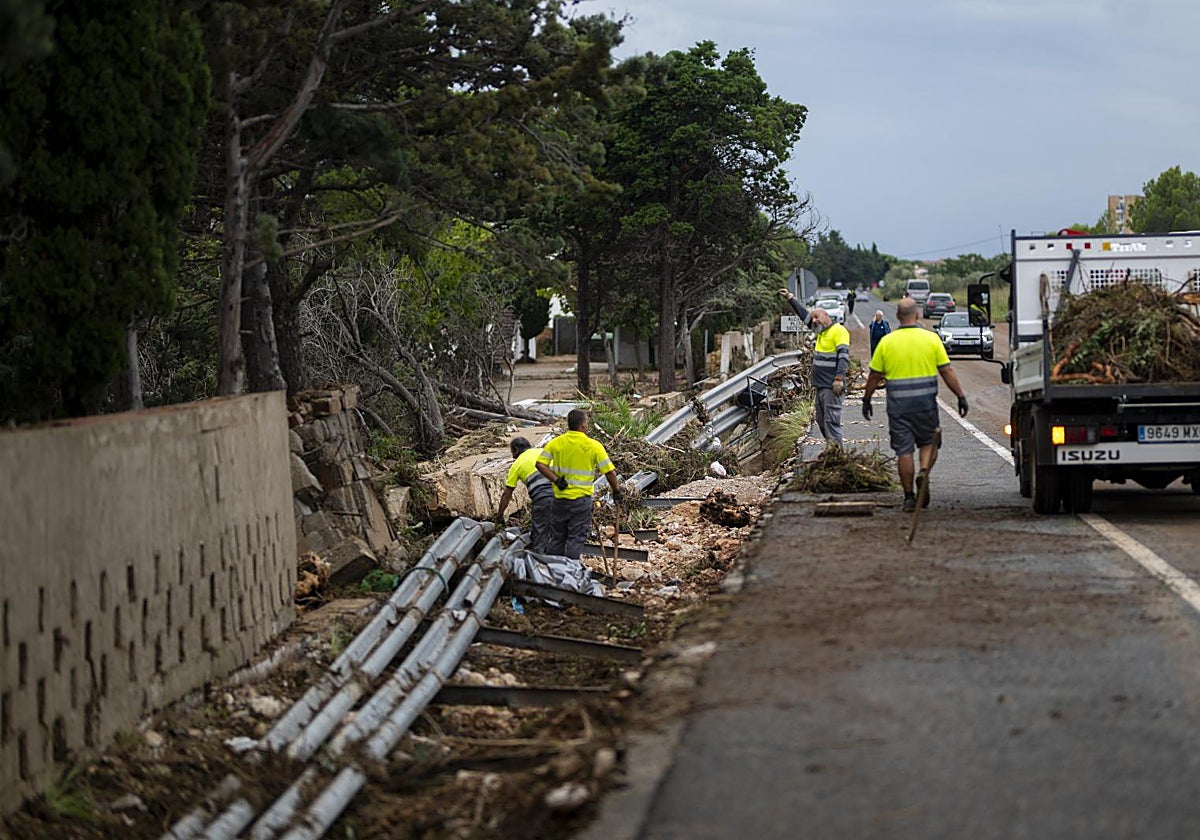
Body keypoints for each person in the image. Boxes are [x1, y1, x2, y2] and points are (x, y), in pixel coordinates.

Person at [861, 297, 969, 512]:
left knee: (904, 450)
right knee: (929, 443)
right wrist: (960, 396)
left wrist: (867, 399)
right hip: (925, 404)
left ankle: (909, 497)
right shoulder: (931, 339)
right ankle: (924, 471)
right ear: (917, 315)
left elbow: (874, 376)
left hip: (898, 407)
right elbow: (946, 370)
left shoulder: (887, 342)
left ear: (898, 317)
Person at [536, 409, 623, 560]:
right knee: (575, 539)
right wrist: (616, 491)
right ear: (583, 425)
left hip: (559, 500)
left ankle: (553, 573)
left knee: (557, 538)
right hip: (580, 502)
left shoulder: (555, 443)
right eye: (587, 423)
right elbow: (609, 472)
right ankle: (570, 573)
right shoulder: (593, 446)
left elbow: (540, 464)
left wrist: (556, 480)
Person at [779, 288, 850, 446]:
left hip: (832, 385)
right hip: (820, 386)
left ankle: (836, 454)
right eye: (814, 318)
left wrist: (839, 378)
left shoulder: (838, 331)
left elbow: (844, 357)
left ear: (827, 315)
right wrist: (791, 299)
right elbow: (804, 316)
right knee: (820, 420)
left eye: (817, 317)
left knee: (831, 421)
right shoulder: (822, 332)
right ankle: (831, 448)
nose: (815, 320)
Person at [495, 436, 555, 553]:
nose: (512, 456)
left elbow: (507, 494)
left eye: (512, 452)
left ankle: (539, 564)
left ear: (516, 450)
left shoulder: (516, 465)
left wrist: (499, 516)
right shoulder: (543, 452)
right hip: (564, 496)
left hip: (543, 499)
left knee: (539, 537)